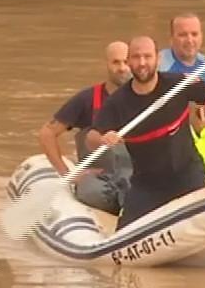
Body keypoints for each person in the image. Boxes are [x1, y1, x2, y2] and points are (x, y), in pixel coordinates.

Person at [87, 36, 205, 229]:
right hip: (147, 183)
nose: (142, 63)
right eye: (136, 57)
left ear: (157, 59)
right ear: (129, 61)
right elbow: (91, 138)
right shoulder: (118, 102)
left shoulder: (178, 84)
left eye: (147, 57)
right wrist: (104, 140)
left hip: (187, 174)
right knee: (125, 232)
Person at [38, 41, 133, 214]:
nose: (122, 68)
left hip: (132, 177)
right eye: (116, 62)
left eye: (126, 62)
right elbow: (47, 133)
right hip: (98, 181)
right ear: (106, 64)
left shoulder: (144, 99)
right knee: (92, 192)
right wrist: (67, 174)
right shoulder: (87, 99)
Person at [158, 12, 205, 83]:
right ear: (171, 39)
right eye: (183, 35)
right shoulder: (158, 65)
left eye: (194, 34)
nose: (189, 40)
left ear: (201, 37)